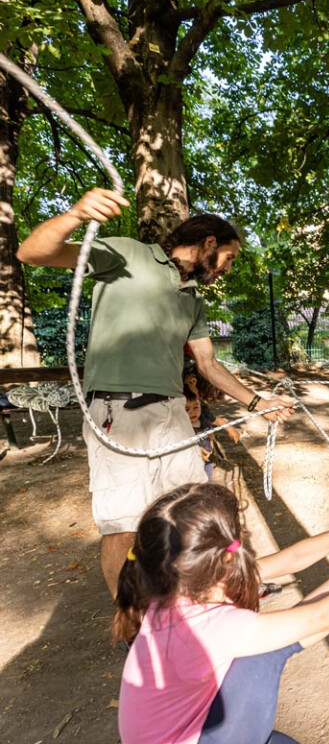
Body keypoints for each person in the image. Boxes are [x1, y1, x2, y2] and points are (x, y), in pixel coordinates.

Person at [17, 187, 294, 598]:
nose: (228, 270)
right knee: (124, 523)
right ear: (209, 243)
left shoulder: (193, 298)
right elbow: (33, 253)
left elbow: (208, 365)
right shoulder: (128, 254)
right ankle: (132, 629)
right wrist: (76, 213)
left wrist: (259, 403)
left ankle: (213, 595)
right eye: (229, 259)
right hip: (117, 411)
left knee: (197, 512)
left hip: (173, 415)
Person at [115, 481, 329, 744]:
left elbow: (290, 561)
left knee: (265, 654)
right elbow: (322, 617)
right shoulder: (206, 624)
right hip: (200, 735)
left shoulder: (172, 586)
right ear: (227, 555)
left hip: (196, 730)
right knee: (266, 652)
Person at [184, 389, 240, 480]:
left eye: (196, 407)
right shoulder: (182, 426)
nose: (192, 412)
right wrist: (196, 451)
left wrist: (230, 429)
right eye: (187, 409)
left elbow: (218, 421)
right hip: (191, 462)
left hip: (208, 459)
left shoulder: (204, 417)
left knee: (207, 478)